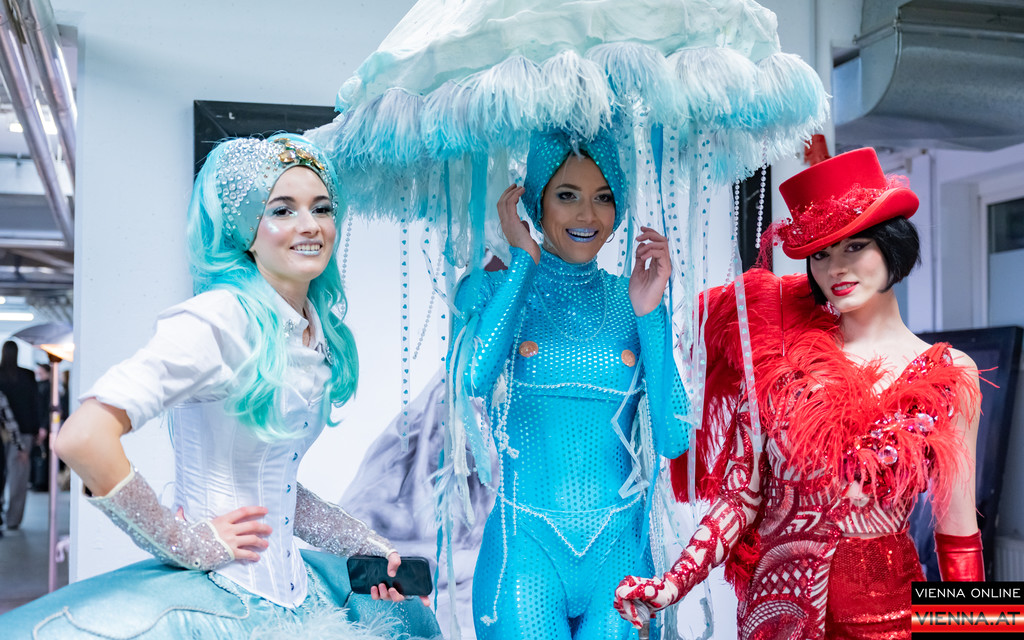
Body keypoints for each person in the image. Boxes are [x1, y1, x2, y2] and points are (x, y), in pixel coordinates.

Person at [0, 134, 439, 639]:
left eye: (322, 208)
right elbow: (83, 437)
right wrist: (184, 542)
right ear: (244, 229)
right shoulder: (218, 319)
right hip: (220, 597)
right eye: (282, 210)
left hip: (293, 599)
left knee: (415, 621)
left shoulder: (312, 331)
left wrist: (367, 547)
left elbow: (275, 488)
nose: (309, 225)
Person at [614, 148, 983, 639]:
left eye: (855, 246)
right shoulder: (779, 356)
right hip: (777, 615)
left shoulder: (951, 373)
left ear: (892, 244)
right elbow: (739, 498)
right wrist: (673, 583)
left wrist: (986, 629)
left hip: (890, 616)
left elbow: (958, 532)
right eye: (821, 254)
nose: (835, 268)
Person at [450, 129, 690, 639]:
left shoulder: (634, 299)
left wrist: (650, 313)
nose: (587, 215)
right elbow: (473, 380)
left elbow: (674, 437)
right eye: (567, 195)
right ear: (534, 201)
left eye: (603, 197)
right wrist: (523, 262)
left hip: (620, 552)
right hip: (525, 552)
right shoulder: (494, 290)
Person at [0, 340, 45, 531]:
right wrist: (37, 430)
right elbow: (36, 404)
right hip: (24, 432)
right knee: (19, 479)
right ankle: (13, 520)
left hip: (2, 433)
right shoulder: (27, 375)